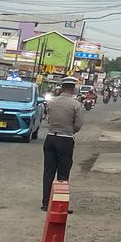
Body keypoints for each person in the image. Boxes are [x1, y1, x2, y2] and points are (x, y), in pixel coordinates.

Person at [42, 76, 85, 210]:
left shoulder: (52, 102)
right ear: (73, 89)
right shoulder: (76, 105)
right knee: (63, 174)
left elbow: (48, 119)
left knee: (48, 172)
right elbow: (78, 124)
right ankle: (59, 204)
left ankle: (45, 203)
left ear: (61, 88)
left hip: (50, 138)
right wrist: (70, 130)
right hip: (65, 139)